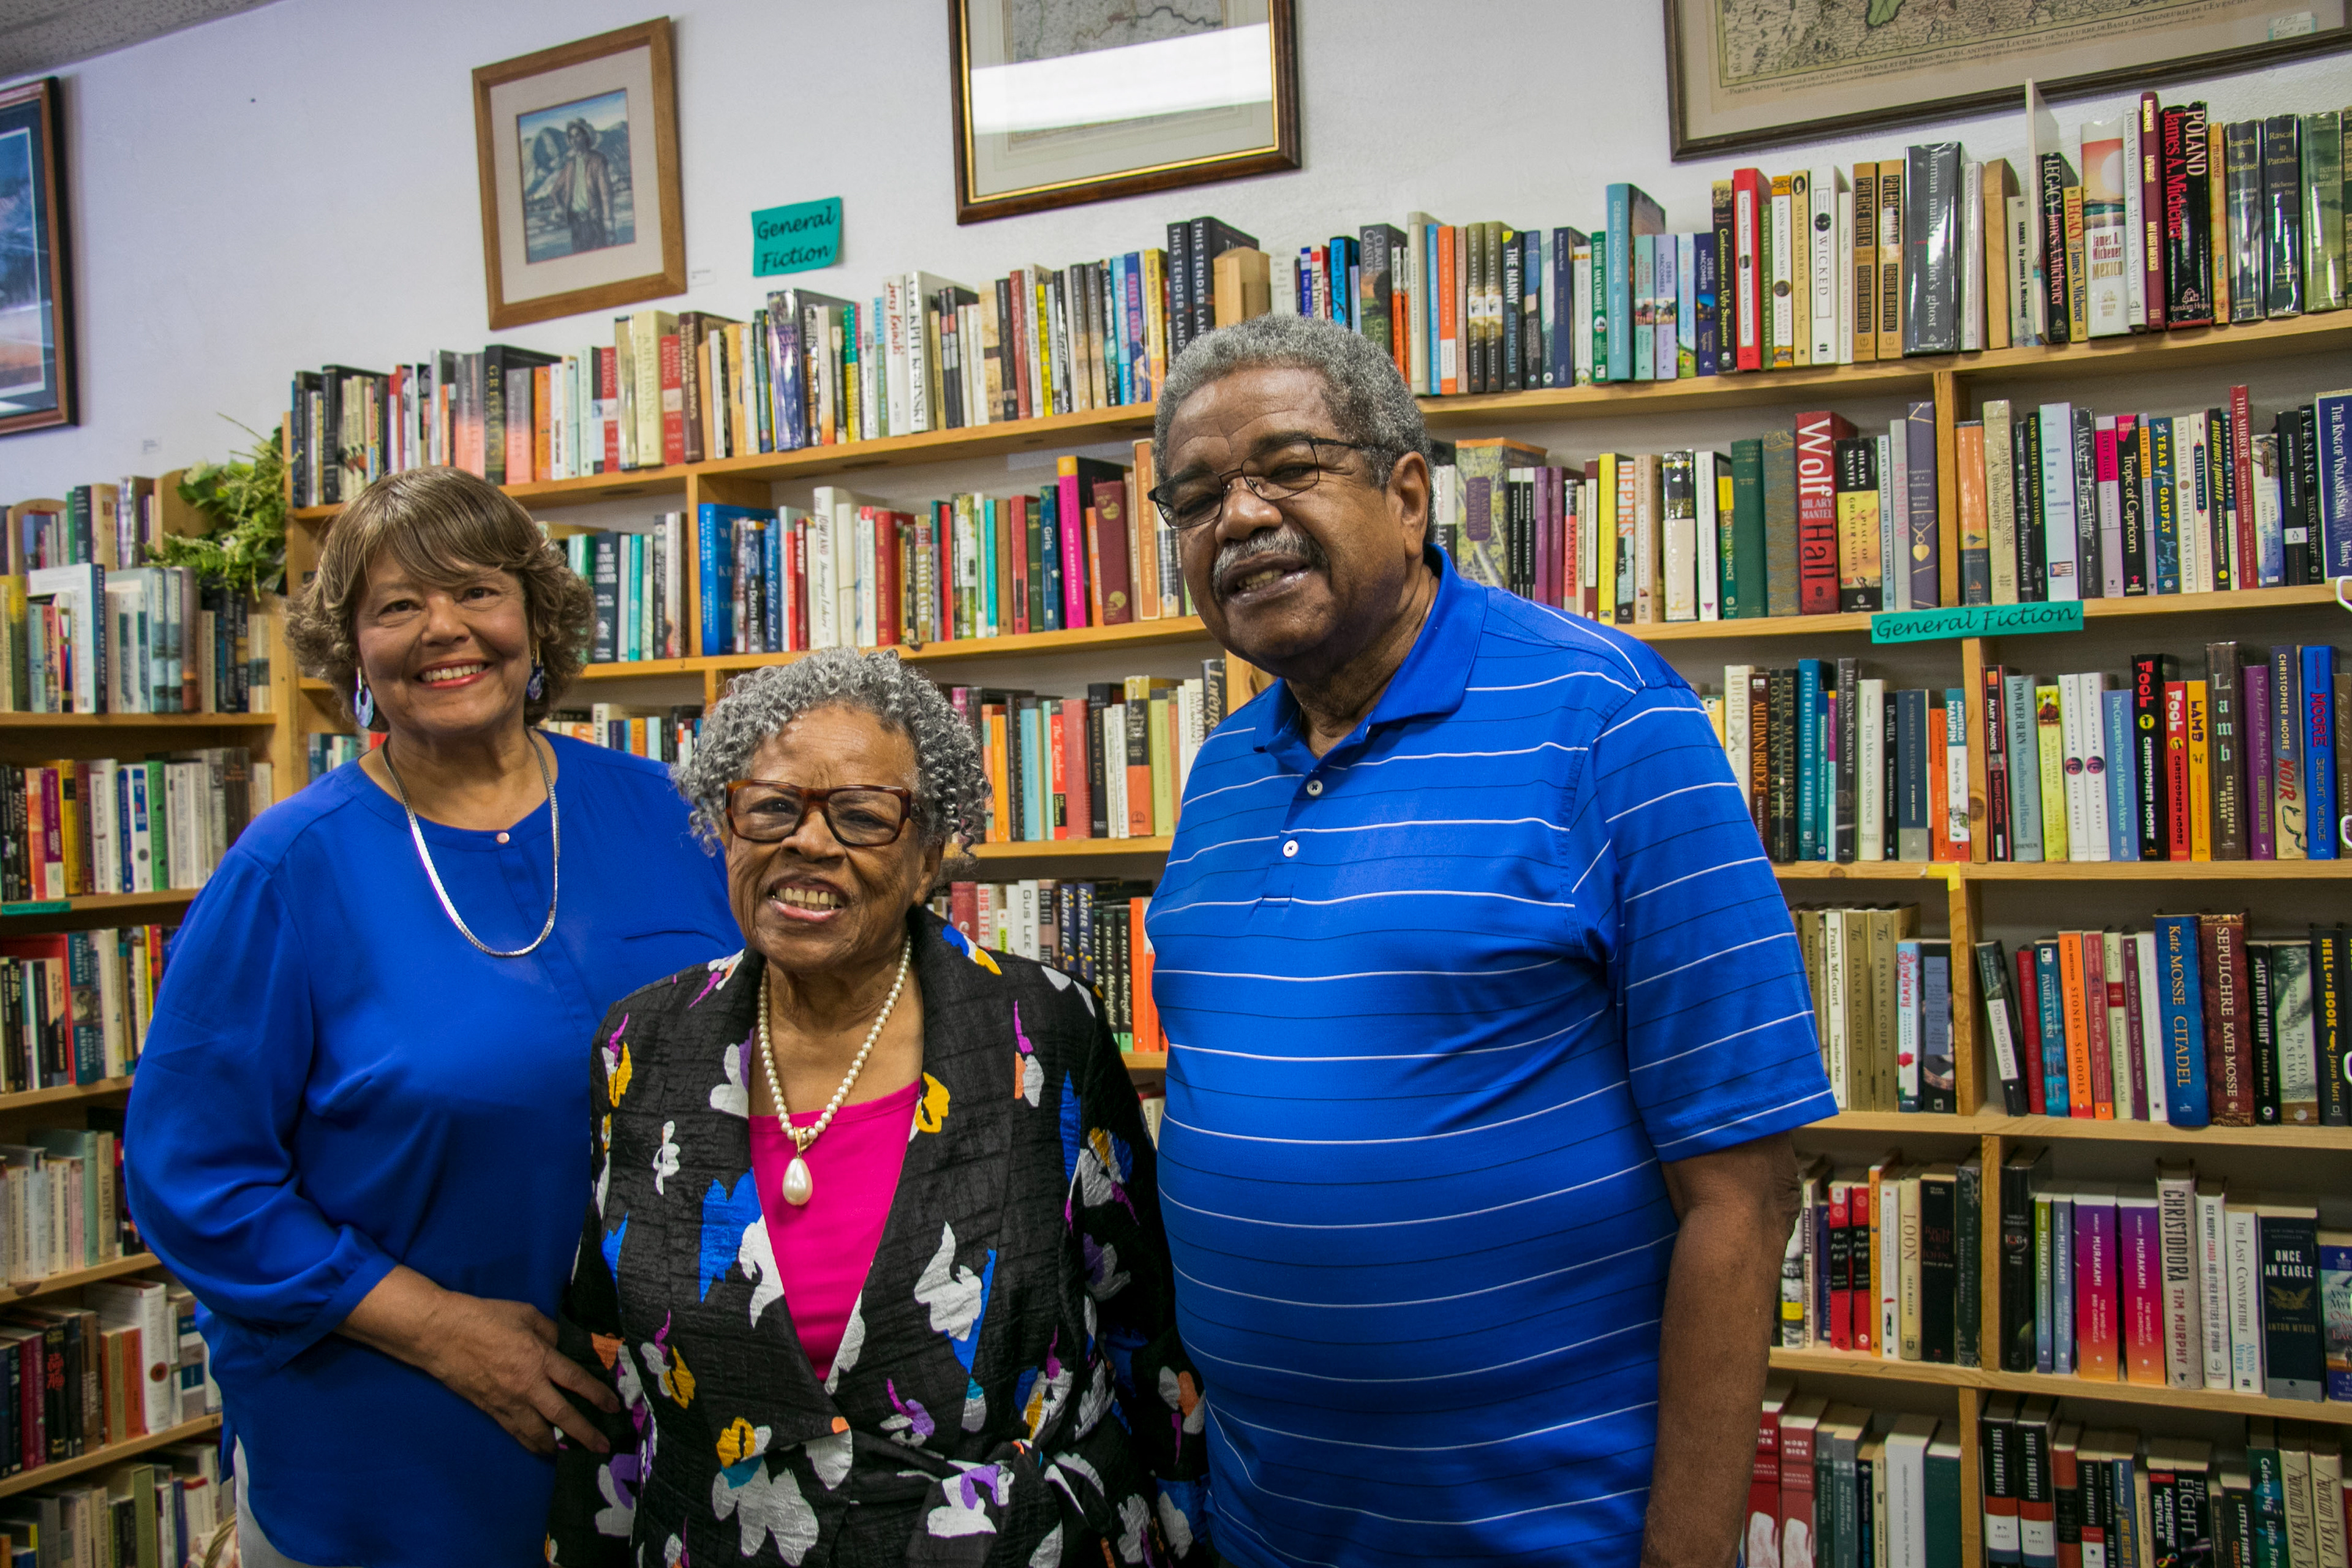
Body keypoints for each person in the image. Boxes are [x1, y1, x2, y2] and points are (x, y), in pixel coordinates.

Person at [1142, 315, 1831, 1568]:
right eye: (1193, 498)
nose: (1237, 518)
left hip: (1548, 1530)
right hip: (1266, 1524)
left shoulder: (1610, 719)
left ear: (1407, 494)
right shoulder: (1219, 774)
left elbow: (1744, 1189)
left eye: (1288, 466)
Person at [125, 467, 739, 1568]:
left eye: (477, 592)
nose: (443, 630)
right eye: (397, 606)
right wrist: (439, 1329)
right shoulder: (288, 869)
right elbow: (192, 1177)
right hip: (394, 1431)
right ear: (352, 649)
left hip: (677, 1422)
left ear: (536, 617)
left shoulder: (667, 811)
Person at [545, 648, 1210, 1566]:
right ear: (724, 829)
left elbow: (1142, 1327)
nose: (808, 843)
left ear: (931, 853)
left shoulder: (1043, 1025)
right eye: (771, 806)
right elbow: (609, 1354)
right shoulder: (641, 1044)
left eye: (861, 815)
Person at [557, 118, 614, 255]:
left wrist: (609, 222)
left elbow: (606, 194)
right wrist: (560, 207)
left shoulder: (598, 160)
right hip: (576, 225)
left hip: (594, 222)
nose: (574, 140)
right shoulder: (570, 164)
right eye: (571, 137)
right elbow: (555, 191)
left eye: (577, 135)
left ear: (586, 136)